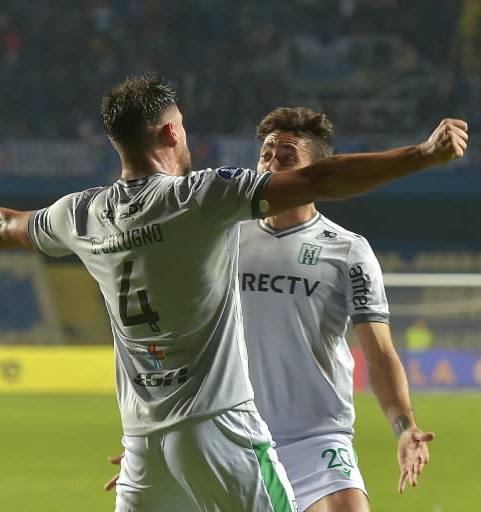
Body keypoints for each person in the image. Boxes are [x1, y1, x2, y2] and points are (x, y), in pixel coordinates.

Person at [0, 74, 468, 511]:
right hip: (223, 429)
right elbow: (323, 179)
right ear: (171, 133)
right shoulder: (202, 201)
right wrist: (423, 155)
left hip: (146, 439)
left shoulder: (82, 214)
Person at [105, 107, 438, 511]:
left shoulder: (348, 251)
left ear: (313, 173)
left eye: (287, 158)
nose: (270, 165)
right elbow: (176, 332)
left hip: (315, 440)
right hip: (229, 437)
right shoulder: (222, 236)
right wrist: (161, 439)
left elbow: (380, 354)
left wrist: (404, 426)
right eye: (265, 154)